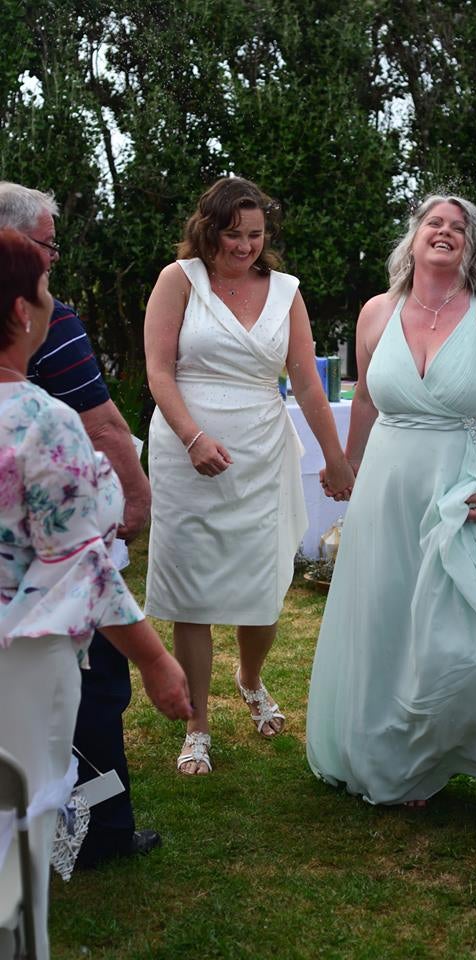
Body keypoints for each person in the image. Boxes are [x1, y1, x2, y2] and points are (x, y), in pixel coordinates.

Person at [307, 193, 476, 847]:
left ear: (472, 246)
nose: (445, 232)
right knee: (391, 622)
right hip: (389, 490)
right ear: (413, 239)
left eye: (458, 227)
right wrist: (346, 464)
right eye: (433, 224)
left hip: (467, 492)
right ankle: (409, 759)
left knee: (473, 634)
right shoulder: (376, 312)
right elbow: (367, 400)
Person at [0, 228, 191, 960]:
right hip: (24, 663)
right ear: (23, 311)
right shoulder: (43, 422)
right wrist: (157, 662)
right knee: (15, 853)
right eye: (46, 289)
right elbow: (86, 569)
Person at [144, 176, 354, 774]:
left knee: (263, 590)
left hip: (261, 450)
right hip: (187, 449)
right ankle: (197, 725)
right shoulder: (178, 280)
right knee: (192, 594)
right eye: (233, 234)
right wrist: (192, 437)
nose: (244, 246)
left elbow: (307, 383)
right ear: (208, 229)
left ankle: (250, 678)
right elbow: (159, 371)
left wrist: (335, 456)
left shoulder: (286, 292)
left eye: (255, 235)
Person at [0, 180, 161, 868]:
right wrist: (136, 501)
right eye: (47, 246)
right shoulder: (46, 339)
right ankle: (99, 830)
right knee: (99, 695)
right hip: (42, 606)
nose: (54, 261)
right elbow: (103, 424)